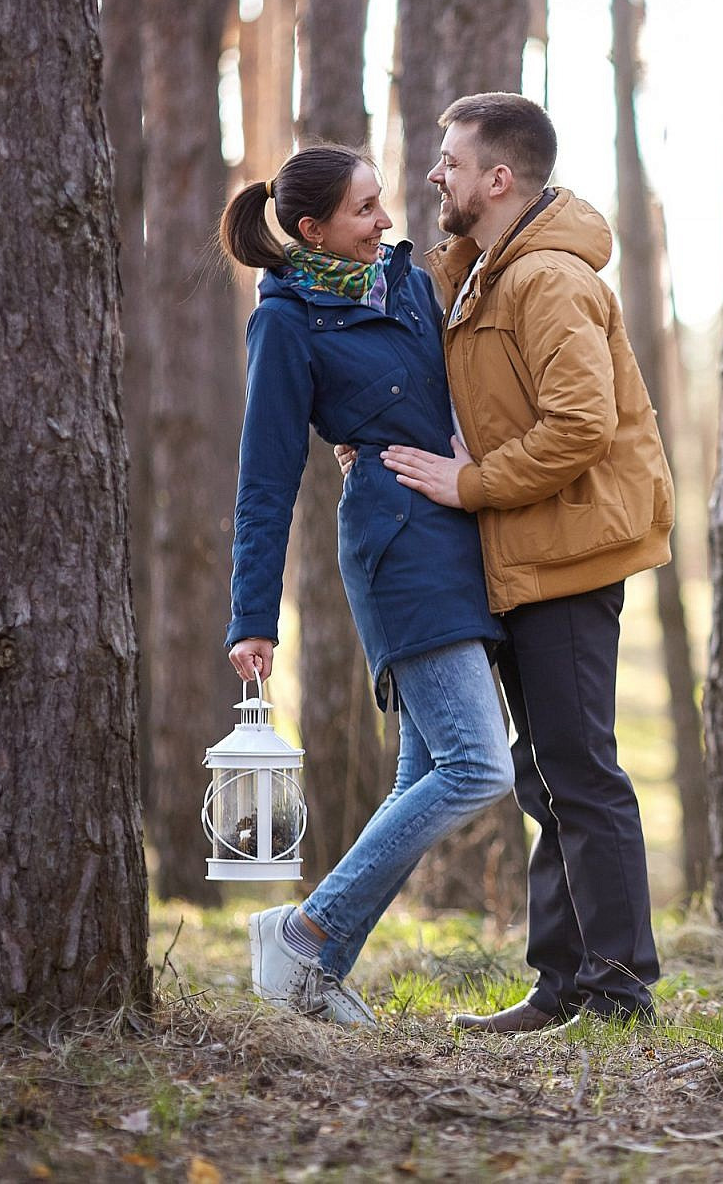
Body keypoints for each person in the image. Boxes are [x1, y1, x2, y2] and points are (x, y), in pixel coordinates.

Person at [352, 93, 674, 1031]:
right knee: (546, 775)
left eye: (448, 161)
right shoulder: (485, 275)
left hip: (568, 553)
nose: (432, 177)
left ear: (497, 178)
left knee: (580, 773)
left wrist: (471, 485)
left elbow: (579, 423)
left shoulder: (547, 281)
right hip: (527, 553)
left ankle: (619, 993)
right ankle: (562, 984)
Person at [222, 143, 513, 1027]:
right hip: (395, 545)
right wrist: (252, 616)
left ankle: (315, 968)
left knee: (429, 768)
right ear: (313, 230)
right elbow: (265, 482)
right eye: (364, 211)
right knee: (477, 764)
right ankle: (305, 934)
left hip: (457, 528)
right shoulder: (286, 320)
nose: (386, 221)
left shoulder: (406, 278)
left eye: (382, 202)